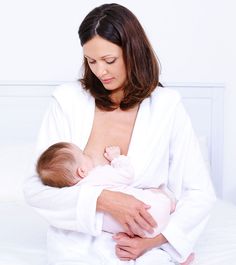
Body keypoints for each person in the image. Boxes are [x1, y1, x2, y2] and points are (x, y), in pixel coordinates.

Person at [24, 3, 216, 264]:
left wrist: (156, 241)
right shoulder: (68, 101)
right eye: (91, 61)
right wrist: (103, 200)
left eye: (109, 60)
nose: (100, 71)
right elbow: (36, 189)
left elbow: (199, 192)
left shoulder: (166, 106)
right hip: (76, 246)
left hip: (146, 247)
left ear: (133, 52)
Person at [36, 142, 176, 238]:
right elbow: (127, 175)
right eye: (84, 154)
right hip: (154, 209)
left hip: (140, 232)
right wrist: (116, 158)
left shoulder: (78, 200)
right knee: (156, 191)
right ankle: (170, 202)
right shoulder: (97, 175)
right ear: (82, 171)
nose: (88, 155)